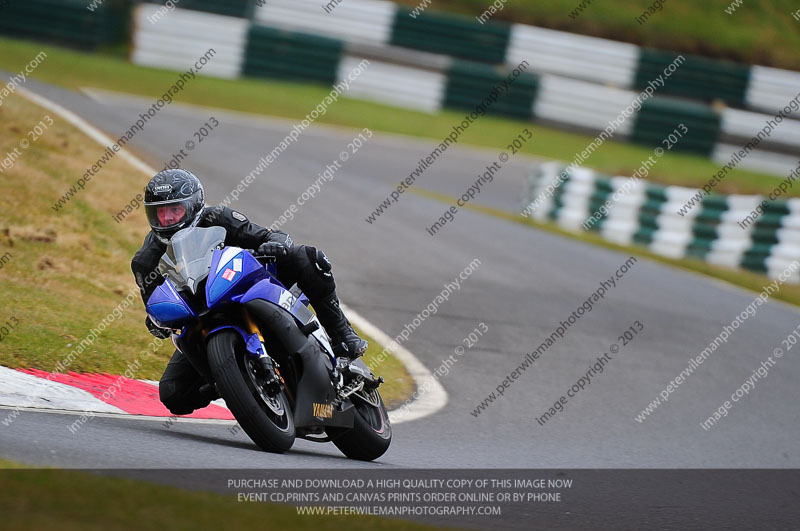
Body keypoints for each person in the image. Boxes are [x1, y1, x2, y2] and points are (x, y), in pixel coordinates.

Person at [131, 169, 367, 415]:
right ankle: (232, 382)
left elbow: (271, 236)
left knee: (306, 257)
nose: (167, 219)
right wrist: (157, 321)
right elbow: (153, 305)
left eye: (174, 210)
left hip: (245, 287)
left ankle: (341, 333)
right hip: (199, 317)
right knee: (173, 394)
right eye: (160, 212)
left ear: (193, 206)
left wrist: (275, 244)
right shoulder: (145, 262)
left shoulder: (219, 217)